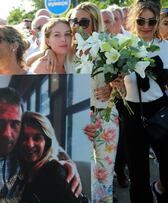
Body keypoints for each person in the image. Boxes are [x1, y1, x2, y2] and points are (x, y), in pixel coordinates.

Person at [0, 87, 82, 202]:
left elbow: (49, 145)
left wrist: (68, 163)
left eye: (15, 124)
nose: (7, 134)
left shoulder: (20, 149)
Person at [68, 2, 122, 203]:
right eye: (73, 21)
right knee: (83, 175)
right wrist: (46, 52)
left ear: (95, 23)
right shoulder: (67, 51)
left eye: (83, 21)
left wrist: (113, 88)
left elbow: (124, 88)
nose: (77, 26)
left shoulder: (110, 47)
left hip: (105, 116)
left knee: (104, 176)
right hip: (77, 118)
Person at [122, 0, 168, 202]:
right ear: (134, 21)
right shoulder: (123, 46)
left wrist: (160, 76)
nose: (146, 26)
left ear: (158, 21)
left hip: (160, 109)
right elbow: (118, 88)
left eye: (152, 21)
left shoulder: (165, 48)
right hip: (132, 111)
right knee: (138, 174)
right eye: (141, 21)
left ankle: (159, 189)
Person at [19, 111, 86, 203]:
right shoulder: (23, 168)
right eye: (24, 138)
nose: (30, 144)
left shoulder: (55, 173)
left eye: (37, 138)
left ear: (47, 142)